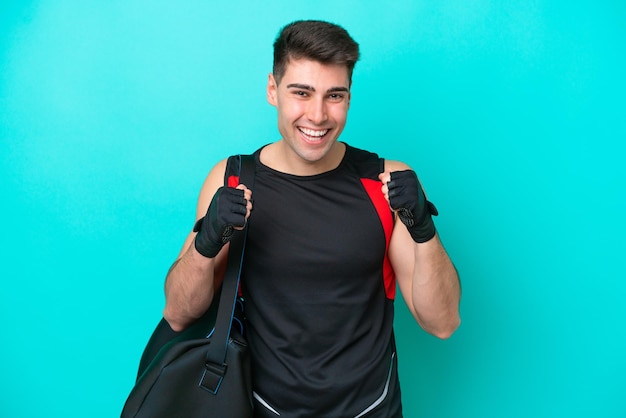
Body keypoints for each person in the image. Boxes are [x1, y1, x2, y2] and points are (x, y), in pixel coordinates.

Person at [163, 19, 461, 418]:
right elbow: (179, 314)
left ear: (350, 98)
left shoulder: (384, 183)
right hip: (262, 408)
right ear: (273, 90)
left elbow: (442, 322)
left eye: (334, 95)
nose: (318, 115)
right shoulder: (232, 179)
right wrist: (207, 243)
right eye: (301, 93)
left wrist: (424, 229)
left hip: (370, 409)